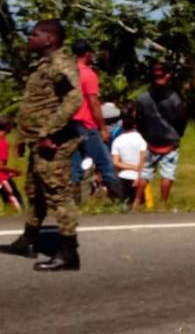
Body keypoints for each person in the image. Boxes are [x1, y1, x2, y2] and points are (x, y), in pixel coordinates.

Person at [0, 19, 83, 271]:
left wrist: (48, 132)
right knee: (35, 192)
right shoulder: (43, 64)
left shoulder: (60, 64)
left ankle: (68, 253)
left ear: (50, 39)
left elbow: (74, 100)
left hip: (53, 143)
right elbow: (37, 104)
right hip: (37, 141)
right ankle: (28, 240)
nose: (30, 38)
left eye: (34, 34)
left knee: (58, 194)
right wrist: (23, 138)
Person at [69, 40, 124, 203]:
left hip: (69, 125)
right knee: (105, 162)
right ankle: (120, 201)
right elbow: (94, 103)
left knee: (75, 166)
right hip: (86, 125)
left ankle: (74, 201)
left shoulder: (68, 74)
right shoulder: (88, 74)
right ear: (87, 54)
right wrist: (102, 128)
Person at [135, 63, 188, 209]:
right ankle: (164, 204)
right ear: (168, 75)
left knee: (145, 173)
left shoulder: (143, 98)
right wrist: (178, 135)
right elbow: (181, 120)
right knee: (167, 174)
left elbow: (139, 121)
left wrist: (146, 136)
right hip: (170, 141)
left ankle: (136, 202)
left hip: (151, 140)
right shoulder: (175, 98)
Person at [110, 102, 147, 207]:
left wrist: (130, 167)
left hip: (122, 177)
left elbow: (115, 162)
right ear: (135, 124)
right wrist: (137, 172)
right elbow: (143, 161)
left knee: (124, 206)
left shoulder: (117, 141)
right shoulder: (141, 140)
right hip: (138, 178)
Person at [0, 116, 23, 211]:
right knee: (17, 204)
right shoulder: (2, 143)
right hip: (2, 179)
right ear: (7, 126)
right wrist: (16, 171)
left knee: (8, 205)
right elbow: (0, 166)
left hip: (3, 177)